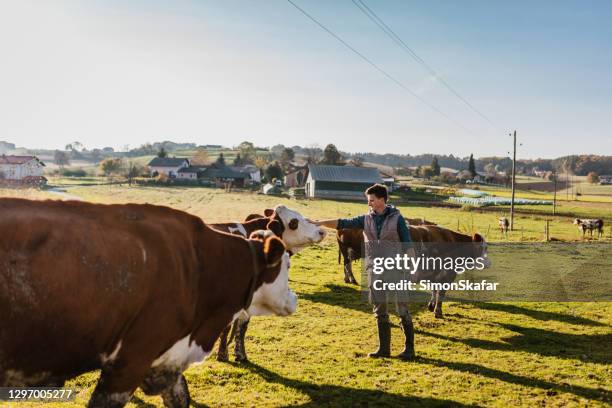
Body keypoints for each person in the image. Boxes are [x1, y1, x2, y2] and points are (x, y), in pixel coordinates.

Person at [313, 184, 415, 360]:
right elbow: (343, 223)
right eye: (368, 201)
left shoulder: (397, 218)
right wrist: (320, 222)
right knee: (379, 309)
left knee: (402, 309)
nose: (369, 204)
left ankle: (409, 350)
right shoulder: (365, 219)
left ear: (382, 200)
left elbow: (408, 245)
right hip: (375, 270)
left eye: (371, 200)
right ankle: (384, 349)